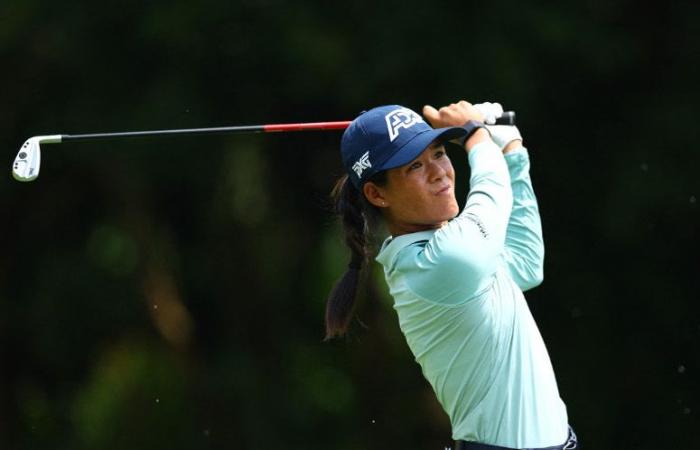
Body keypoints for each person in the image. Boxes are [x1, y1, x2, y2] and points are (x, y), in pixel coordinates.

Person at [324, 101, 578, 450]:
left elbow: (525, 262)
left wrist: (511, 151)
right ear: (377, 193)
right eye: (414, 165)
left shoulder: (452, 253)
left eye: (440, 153)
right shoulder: (437, 264)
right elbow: (489, 203)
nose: (439, 172)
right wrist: (477, 138)